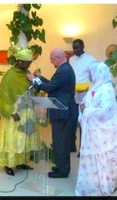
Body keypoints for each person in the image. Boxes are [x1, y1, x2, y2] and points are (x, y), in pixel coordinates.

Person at [27, 48, 77, 178]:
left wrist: (34, 80)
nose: (50, 62)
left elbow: (49, 88)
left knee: (60, 142)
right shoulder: (64, 69)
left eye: (51, 59)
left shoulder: (64, 70)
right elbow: (53, 84)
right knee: (60, 141)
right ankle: (61, 166)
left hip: (62, 112)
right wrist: (40, 77)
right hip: (62, 111)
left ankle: (62, 170)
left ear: (58, 58)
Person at [75, 62, 117, 196]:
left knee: (102, 159)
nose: (90, 76)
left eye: (91, 73)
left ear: (99, 73)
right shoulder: (95, 87)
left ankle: (101, 187)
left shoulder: (106, 89)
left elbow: (104, 111)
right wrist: (83, 107)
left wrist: (87, 110)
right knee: (90, 160)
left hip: (103, 134)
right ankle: (89, 187)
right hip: (92, 132)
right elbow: (86, 103)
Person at [0, 45, 42, 176]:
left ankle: (21, 161)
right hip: (14, 112)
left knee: (24, 138)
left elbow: (33, 91)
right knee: (13, 138)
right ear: (19, 61)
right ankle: (9, 164)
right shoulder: (9, 76)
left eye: (30, 62)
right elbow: (2, 96)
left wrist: (36, 81)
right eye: (27, 62)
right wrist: (11, 112)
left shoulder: (27, 74)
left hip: (27, 110)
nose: (29, 65)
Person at [69, 39, 96, 155]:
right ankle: (71, 145)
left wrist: (90, 92)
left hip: (85, 94)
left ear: (83, 46)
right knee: (72, 121)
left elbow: (94, 78)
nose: (75, 50)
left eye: (78, 48)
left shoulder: (91, 60)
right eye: (74, 48)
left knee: (83, 123)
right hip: (72, 94)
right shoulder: (71, 59)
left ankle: (83, 148)